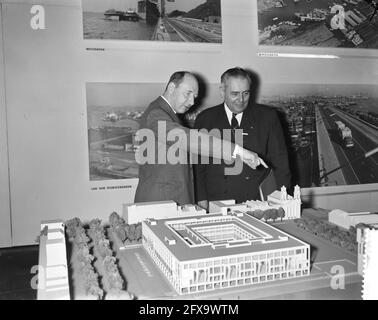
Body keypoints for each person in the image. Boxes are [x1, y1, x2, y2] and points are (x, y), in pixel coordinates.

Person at [134, 71, 267, 205]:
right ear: (171, 88)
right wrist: (239, 152)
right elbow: (186, 138)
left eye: (194, 96)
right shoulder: (156, 114)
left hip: (169, 200)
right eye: (188, 93)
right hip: (159, 202)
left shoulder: (168, 115)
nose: (192, 101)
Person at [194, 67, 291, 209]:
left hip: (256, 202)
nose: (241, 100)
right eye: (235, 94)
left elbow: (281, 164)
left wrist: (283, 199)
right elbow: (198, 166)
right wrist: (201, 199)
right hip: (216, 201)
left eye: (246, 93)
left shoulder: (267, 117)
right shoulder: (206, 119)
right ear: (222, 91)